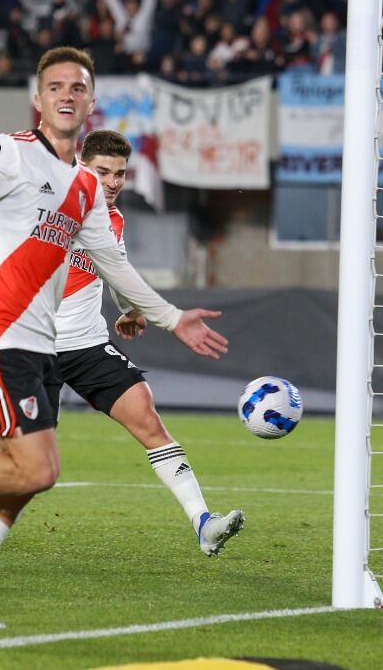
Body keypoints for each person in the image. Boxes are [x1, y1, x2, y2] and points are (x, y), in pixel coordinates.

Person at [0, 47, 228, 629]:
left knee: (21, 480)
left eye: (77, 87)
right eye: (55, 86)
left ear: (90, 102)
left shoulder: (84, 187)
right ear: (38, 100)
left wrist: (171, 316)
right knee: (36, 469)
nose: (66, 94)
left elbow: (114, 264)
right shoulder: (12, 151)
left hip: (38, 348)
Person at [55, 129, 242, 556]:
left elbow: (115, 269)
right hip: (34, 346)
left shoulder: (114, 220)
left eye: (120, 173)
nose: (113, 182)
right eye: (102, 172)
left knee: (148, 416)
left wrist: (128, 309)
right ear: (81, 167)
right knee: (26, 468)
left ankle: (203, 523)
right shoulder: (54, 208)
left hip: (86, 344)